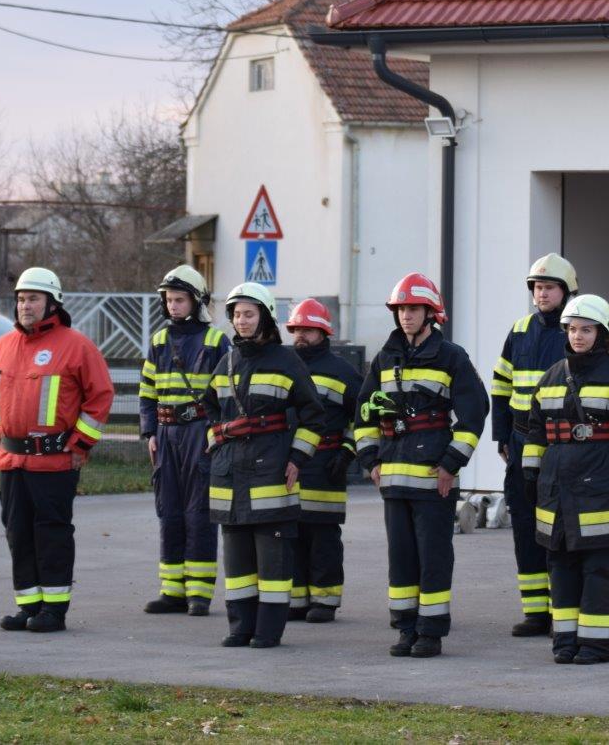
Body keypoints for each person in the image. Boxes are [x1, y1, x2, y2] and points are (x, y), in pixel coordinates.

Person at [354, 273, 488, 659]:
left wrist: (450, 464)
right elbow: (363, 413)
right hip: (393, 477)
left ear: (431, 313)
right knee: (401, 557)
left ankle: (430, 632)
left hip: (433, 478)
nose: (405, 316)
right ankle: (405, 628)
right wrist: (370, 460)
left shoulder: (452, 357)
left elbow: (474, 414)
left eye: (413, 309)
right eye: (401, 309)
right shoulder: (385, 357)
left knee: (434, 557)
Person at [522, 294, 609, 664]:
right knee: (560, 568)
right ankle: (565, 641)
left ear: (603, 334)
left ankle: (595, 644)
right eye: (573, 329)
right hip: (556, 492)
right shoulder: (551, 376)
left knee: (599, 570)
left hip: (604, 491)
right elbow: (536, 433)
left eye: (586, 329)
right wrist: (532, 475)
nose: (578, 336)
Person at [0, 267, 114, 634]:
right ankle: (28, 605)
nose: (25, 306)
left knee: (51, 533)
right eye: (21, 299)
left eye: (33, 299)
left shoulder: (76, 346)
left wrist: (81, 444)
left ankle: (54, 610)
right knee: (17, 532)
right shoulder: (3, 346)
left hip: (55, 460)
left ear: (52, 303)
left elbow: (100, 396)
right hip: (12, 459)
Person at [202, 283, 327, 649]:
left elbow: (314, 416)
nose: (241, 321)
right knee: (238, 563)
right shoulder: (226, 361)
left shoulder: (288, 362)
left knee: (273, 563)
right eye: (237, 314)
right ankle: (240, 627)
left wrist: (297, 458)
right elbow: (210, 408)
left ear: (265, 318)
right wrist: (217, 442)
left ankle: (268, 631)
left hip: (271, 474)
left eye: (249, 314)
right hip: (230, 478)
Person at [491, 253, 578, 637]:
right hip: (522, 439)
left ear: (566, 291)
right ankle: (535, 612)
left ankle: (564, 610)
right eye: (537, 288)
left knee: (560, 528)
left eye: (548, 288)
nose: (541, 294)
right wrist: (501, 435)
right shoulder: (520, 330)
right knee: (525, 527)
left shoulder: (576, 331)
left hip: (561, 445)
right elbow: (500, 385)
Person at [139, 265, 229, 616]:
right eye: (169, 300)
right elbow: (147, 393)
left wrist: (216, 433)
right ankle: (171, 590)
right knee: (170, 512)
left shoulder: (216, 340)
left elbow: (227, 394)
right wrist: (149, 432)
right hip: (165, 435)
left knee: (199, 513)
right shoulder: (159, 341)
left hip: (199, 433)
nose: (173, 306)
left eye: (179, 300)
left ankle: (199, 594)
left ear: (197, 301)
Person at [284, 298, 361, 623]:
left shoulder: (343, 371)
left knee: (323, 537)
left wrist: (348, 451)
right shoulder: (283, 365)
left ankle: (325, 601)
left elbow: (370, 412)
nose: (301, 335)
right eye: (297, 329)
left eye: (308, 329)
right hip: (288, 466)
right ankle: (297, 600)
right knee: (291, 535)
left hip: (327, 464)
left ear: (323, 332)